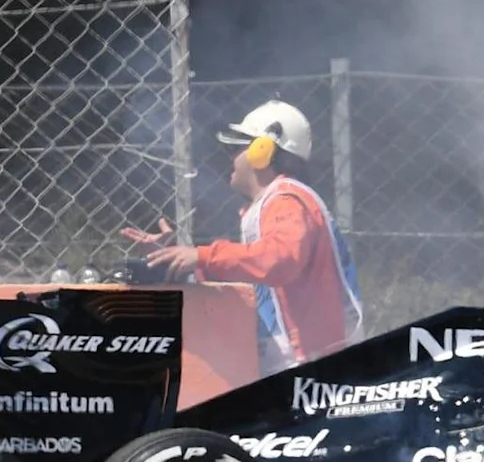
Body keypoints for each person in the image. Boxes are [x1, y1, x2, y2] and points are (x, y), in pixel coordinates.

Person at [124, 100, 363, 373]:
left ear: (263, 151)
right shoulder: (270, 204)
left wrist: (203, 256)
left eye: (236, 147)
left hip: (312, 365)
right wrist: (187, 258)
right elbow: (254, 276)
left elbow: (279, 260)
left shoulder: (286, 198)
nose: (230, 156)